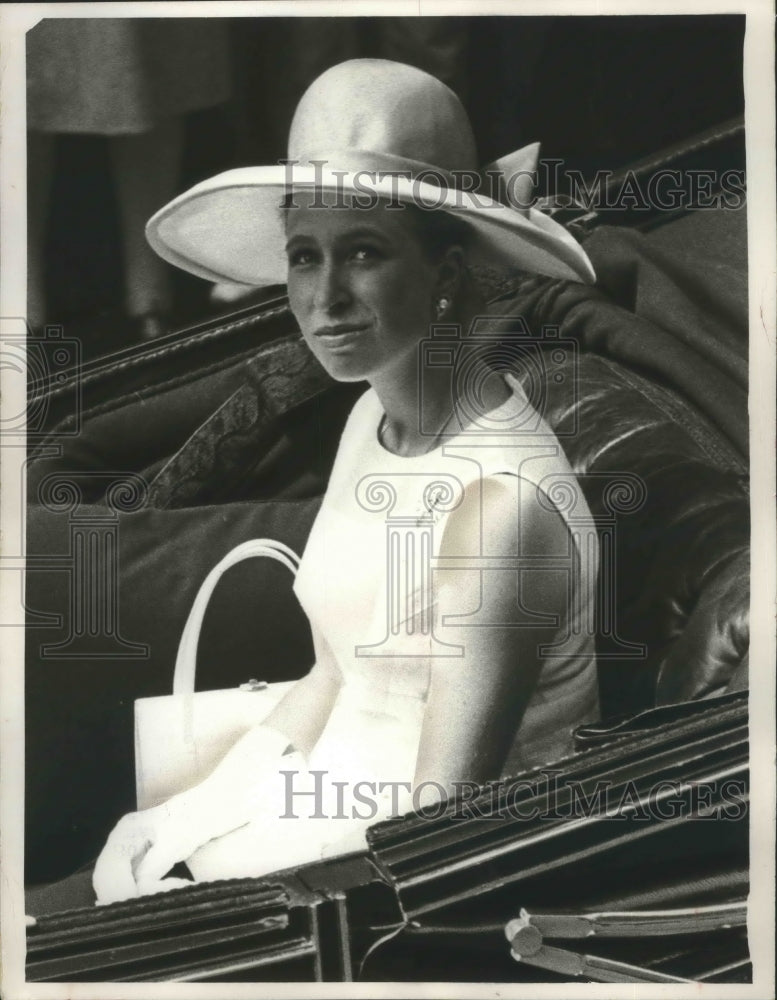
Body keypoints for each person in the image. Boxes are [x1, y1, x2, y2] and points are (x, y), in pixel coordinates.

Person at [83, 59, 600, 905]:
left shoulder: (498, 507)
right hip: (304, 825)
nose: (325, 297)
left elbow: (439, 832)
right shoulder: (371, 416)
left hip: (388, 896)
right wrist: (185, 816)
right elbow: (337, 673)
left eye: (364, 253)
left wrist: (218, 904)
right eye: (303, 255)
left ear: (448, 272)